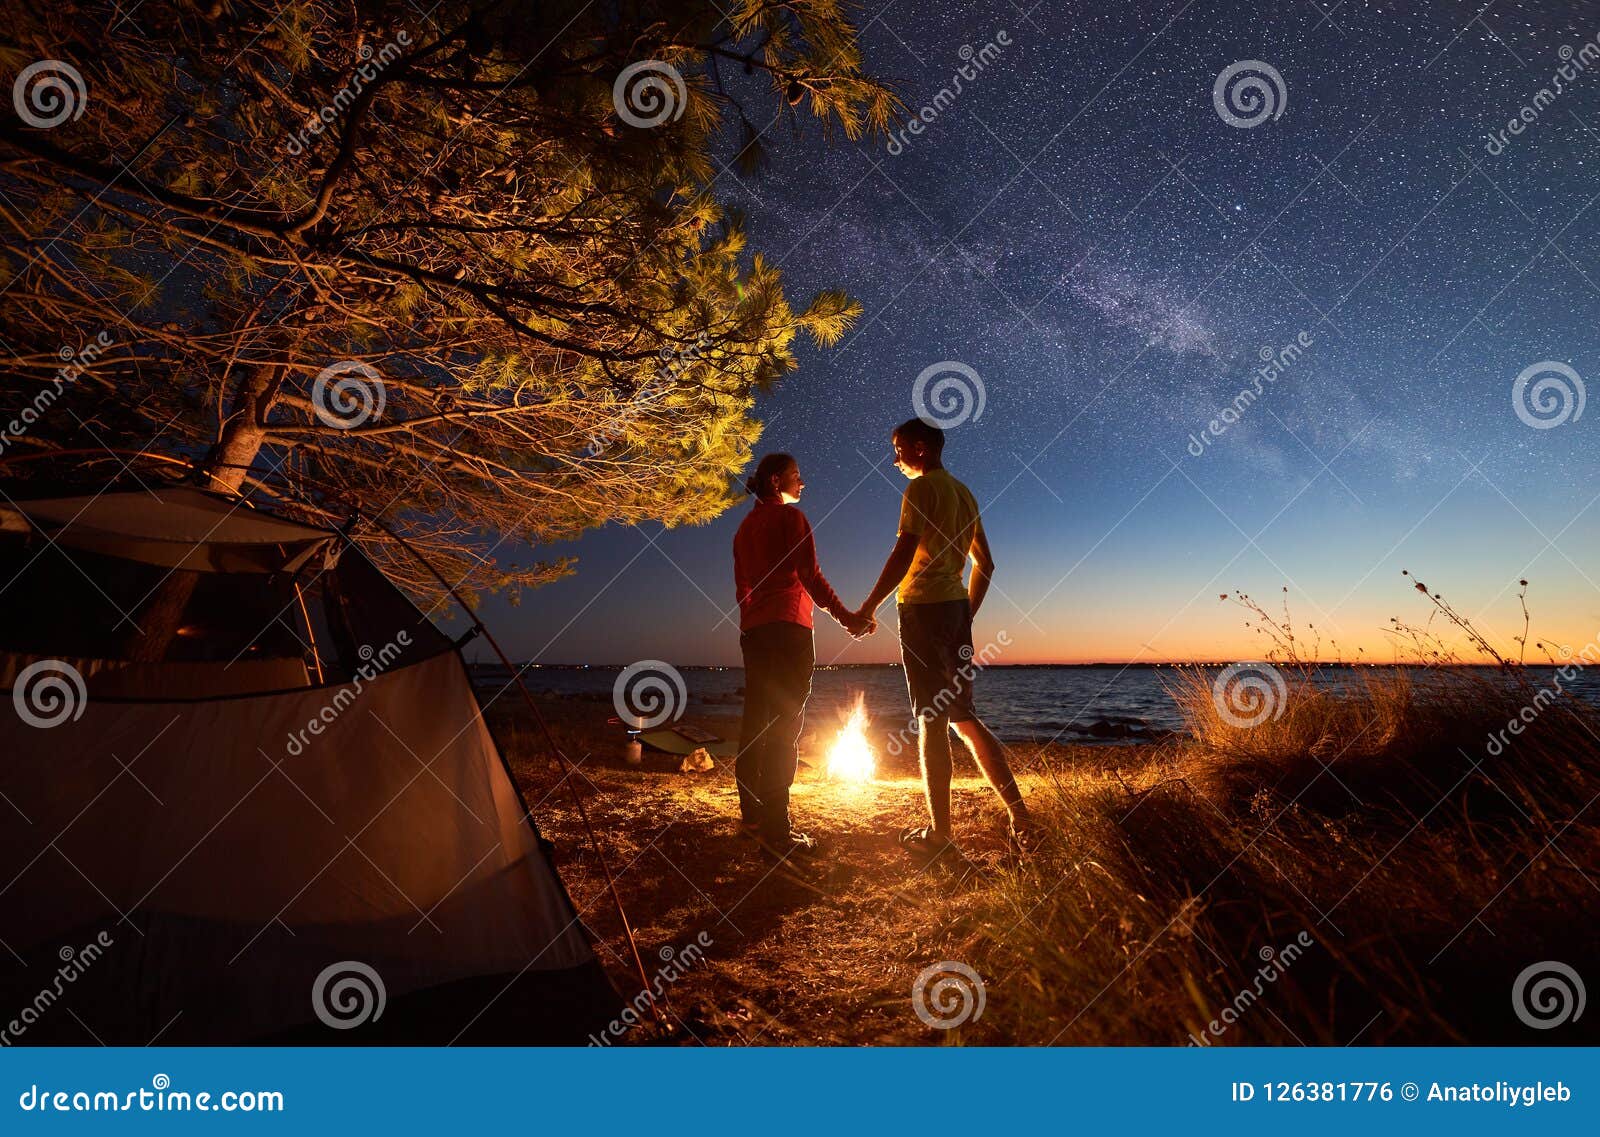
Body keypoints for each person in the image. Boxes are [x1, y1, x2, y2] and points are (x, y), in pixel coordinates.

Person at [852, 418, 1030, 857]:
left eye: (897, 449)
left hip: (923, 612)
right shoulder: (965, 493)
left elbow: (903, 552)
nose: (893, 459)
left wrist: (868, 606)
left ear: (920, 448)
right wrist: (965, 613)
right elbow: (986, 564)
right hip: (954, 613)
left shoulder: (920, 490)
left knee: (932, 721)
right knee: (963, 717)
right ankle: (1020, 817)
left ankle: (940, 836)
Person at [733, 453, 872, 863]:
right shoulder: (792, 519)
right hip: (790, 630)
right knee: (785, 725)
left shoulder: (743, 529)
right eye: (797, 476)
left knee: (756, 720)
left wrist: (751, 622)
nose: (803, 482)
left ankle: (753, 819)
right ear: (777, 481)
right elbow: (810, 576)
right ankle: (777, 830)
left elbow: (742, 588)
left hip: (755, 632)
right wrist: (847, 618)